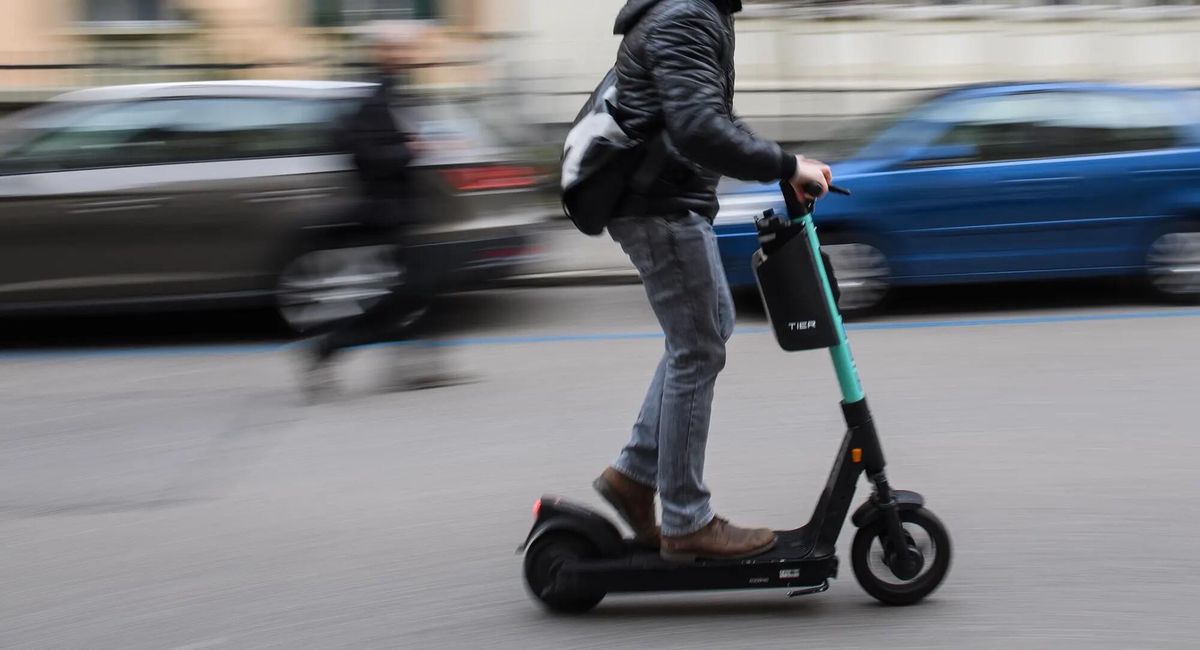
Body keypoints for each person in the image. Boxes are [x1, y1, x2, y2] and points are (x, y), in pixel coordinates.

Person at [591, 0, 834, 561]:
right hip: (659, 203)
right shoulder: (687, 14)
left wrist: (785, 163)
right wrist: (781, 164)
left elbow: (711, 117)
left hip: (662, 198)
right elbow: (699, 128)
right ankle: (685, 520)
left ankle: (634, 475)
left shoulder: (696, 11)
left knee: (705, 332)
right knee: (698, 347)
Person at [297, 21, 465, 400]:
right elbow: (365, 153)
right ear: (381, 54)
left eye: (407, 51)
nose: (406, 57)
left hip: (407, 211)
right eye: (397, 51)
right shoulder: (375, 98)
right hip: (390, 213)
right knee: (410, 294)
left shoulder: (396, 93)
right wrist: (411, 150)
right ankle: (329, 346)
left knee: (426, 290)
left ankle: (418, 364)